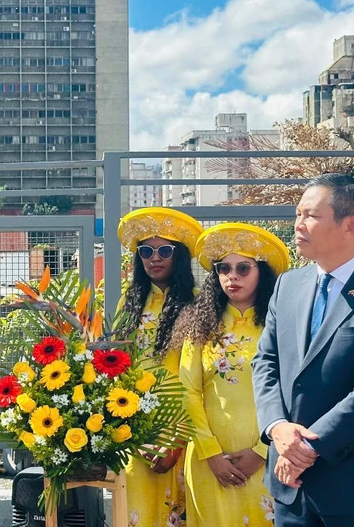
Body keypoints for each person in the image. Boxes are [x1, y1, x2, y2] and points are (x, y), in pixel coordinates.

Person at [253, 173, 354, 527]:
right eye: (297, 214)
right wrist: (278, 428)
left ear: (350, 225)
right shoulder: (288, 285)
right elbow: (265, 362)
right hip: (291, 489)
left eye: (311, 216)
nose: (298, 224)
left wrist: (306, 448)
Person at [176, 222, 289, 527]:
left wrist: (264, 451)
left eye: (243, 268)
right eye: (223, 268)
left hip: (270, 459)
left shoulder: (281, 327)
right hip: (209, 463)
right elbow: (187, 391)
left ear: (261, 272)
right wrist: (210, 452)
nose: (232, 277)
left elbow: (292, 392)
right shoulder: (199, 326)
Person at [117, 207, 204, 527]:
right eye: (146, 251)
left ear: (178, 255)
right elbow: (117, 371)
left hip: (180, 429)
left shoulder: (197, 304)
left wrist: (177, 442)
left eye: (164, 250)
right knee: (136, 514)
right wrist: (130, 431)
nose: (155, 257)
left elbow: (200, 379)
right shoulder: (128, 304)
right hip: (135, 428)